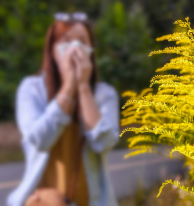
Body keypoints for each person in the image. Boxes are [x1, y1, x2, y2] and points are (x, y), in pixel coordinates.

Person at [7, 12, 119, 206]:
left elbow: (104, 143)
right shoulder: (31, 89)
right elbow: (39, 140)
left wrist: (83, 87)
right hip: (43, 201)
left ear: (91, 50)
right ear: (52, 49)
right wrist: (68, 86)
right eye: (67, 41)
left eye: (82, 41)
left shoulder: (104, 94)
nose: (75, 48)